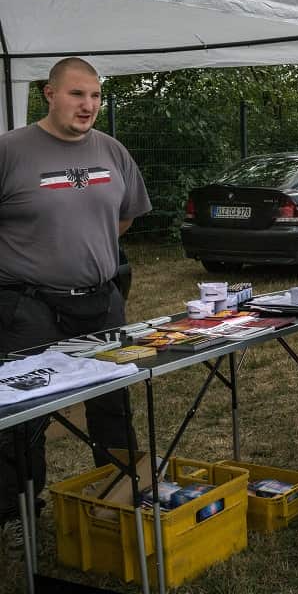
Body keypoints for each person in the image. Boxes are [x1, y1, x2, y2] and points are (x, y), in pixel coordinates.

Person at [0, 57, 151, 551]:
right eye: (77, 94)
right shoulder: (10, 152)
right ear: (49, 93)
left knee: (114, 403)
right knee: (26, 413)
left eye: (95, 96)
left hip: (102, 302)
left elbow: (124, 218)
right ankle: (19, 512)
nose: (88, 105)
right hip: (29, 306)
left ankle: (118, 498)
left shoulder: (111, 150)